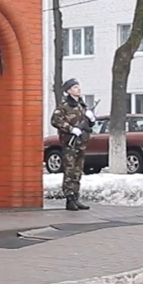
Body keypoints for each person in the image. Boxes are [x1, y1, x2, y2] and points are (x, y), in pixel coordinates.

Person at [50, 78, 91, 212]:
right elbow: (55, 120)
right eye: (74, 87)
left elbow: (86, 124)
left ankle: (76, 196)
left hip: (81, 143)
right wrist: (70, 129)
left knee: (78, 171)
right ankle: (69, 199)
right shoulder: (64, 105)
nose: (78, 89)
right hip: (70, 143)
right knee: (69, 171)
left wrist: (91, 120)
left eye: (78, 86)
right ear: (68, 91)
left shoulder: (82, 105)